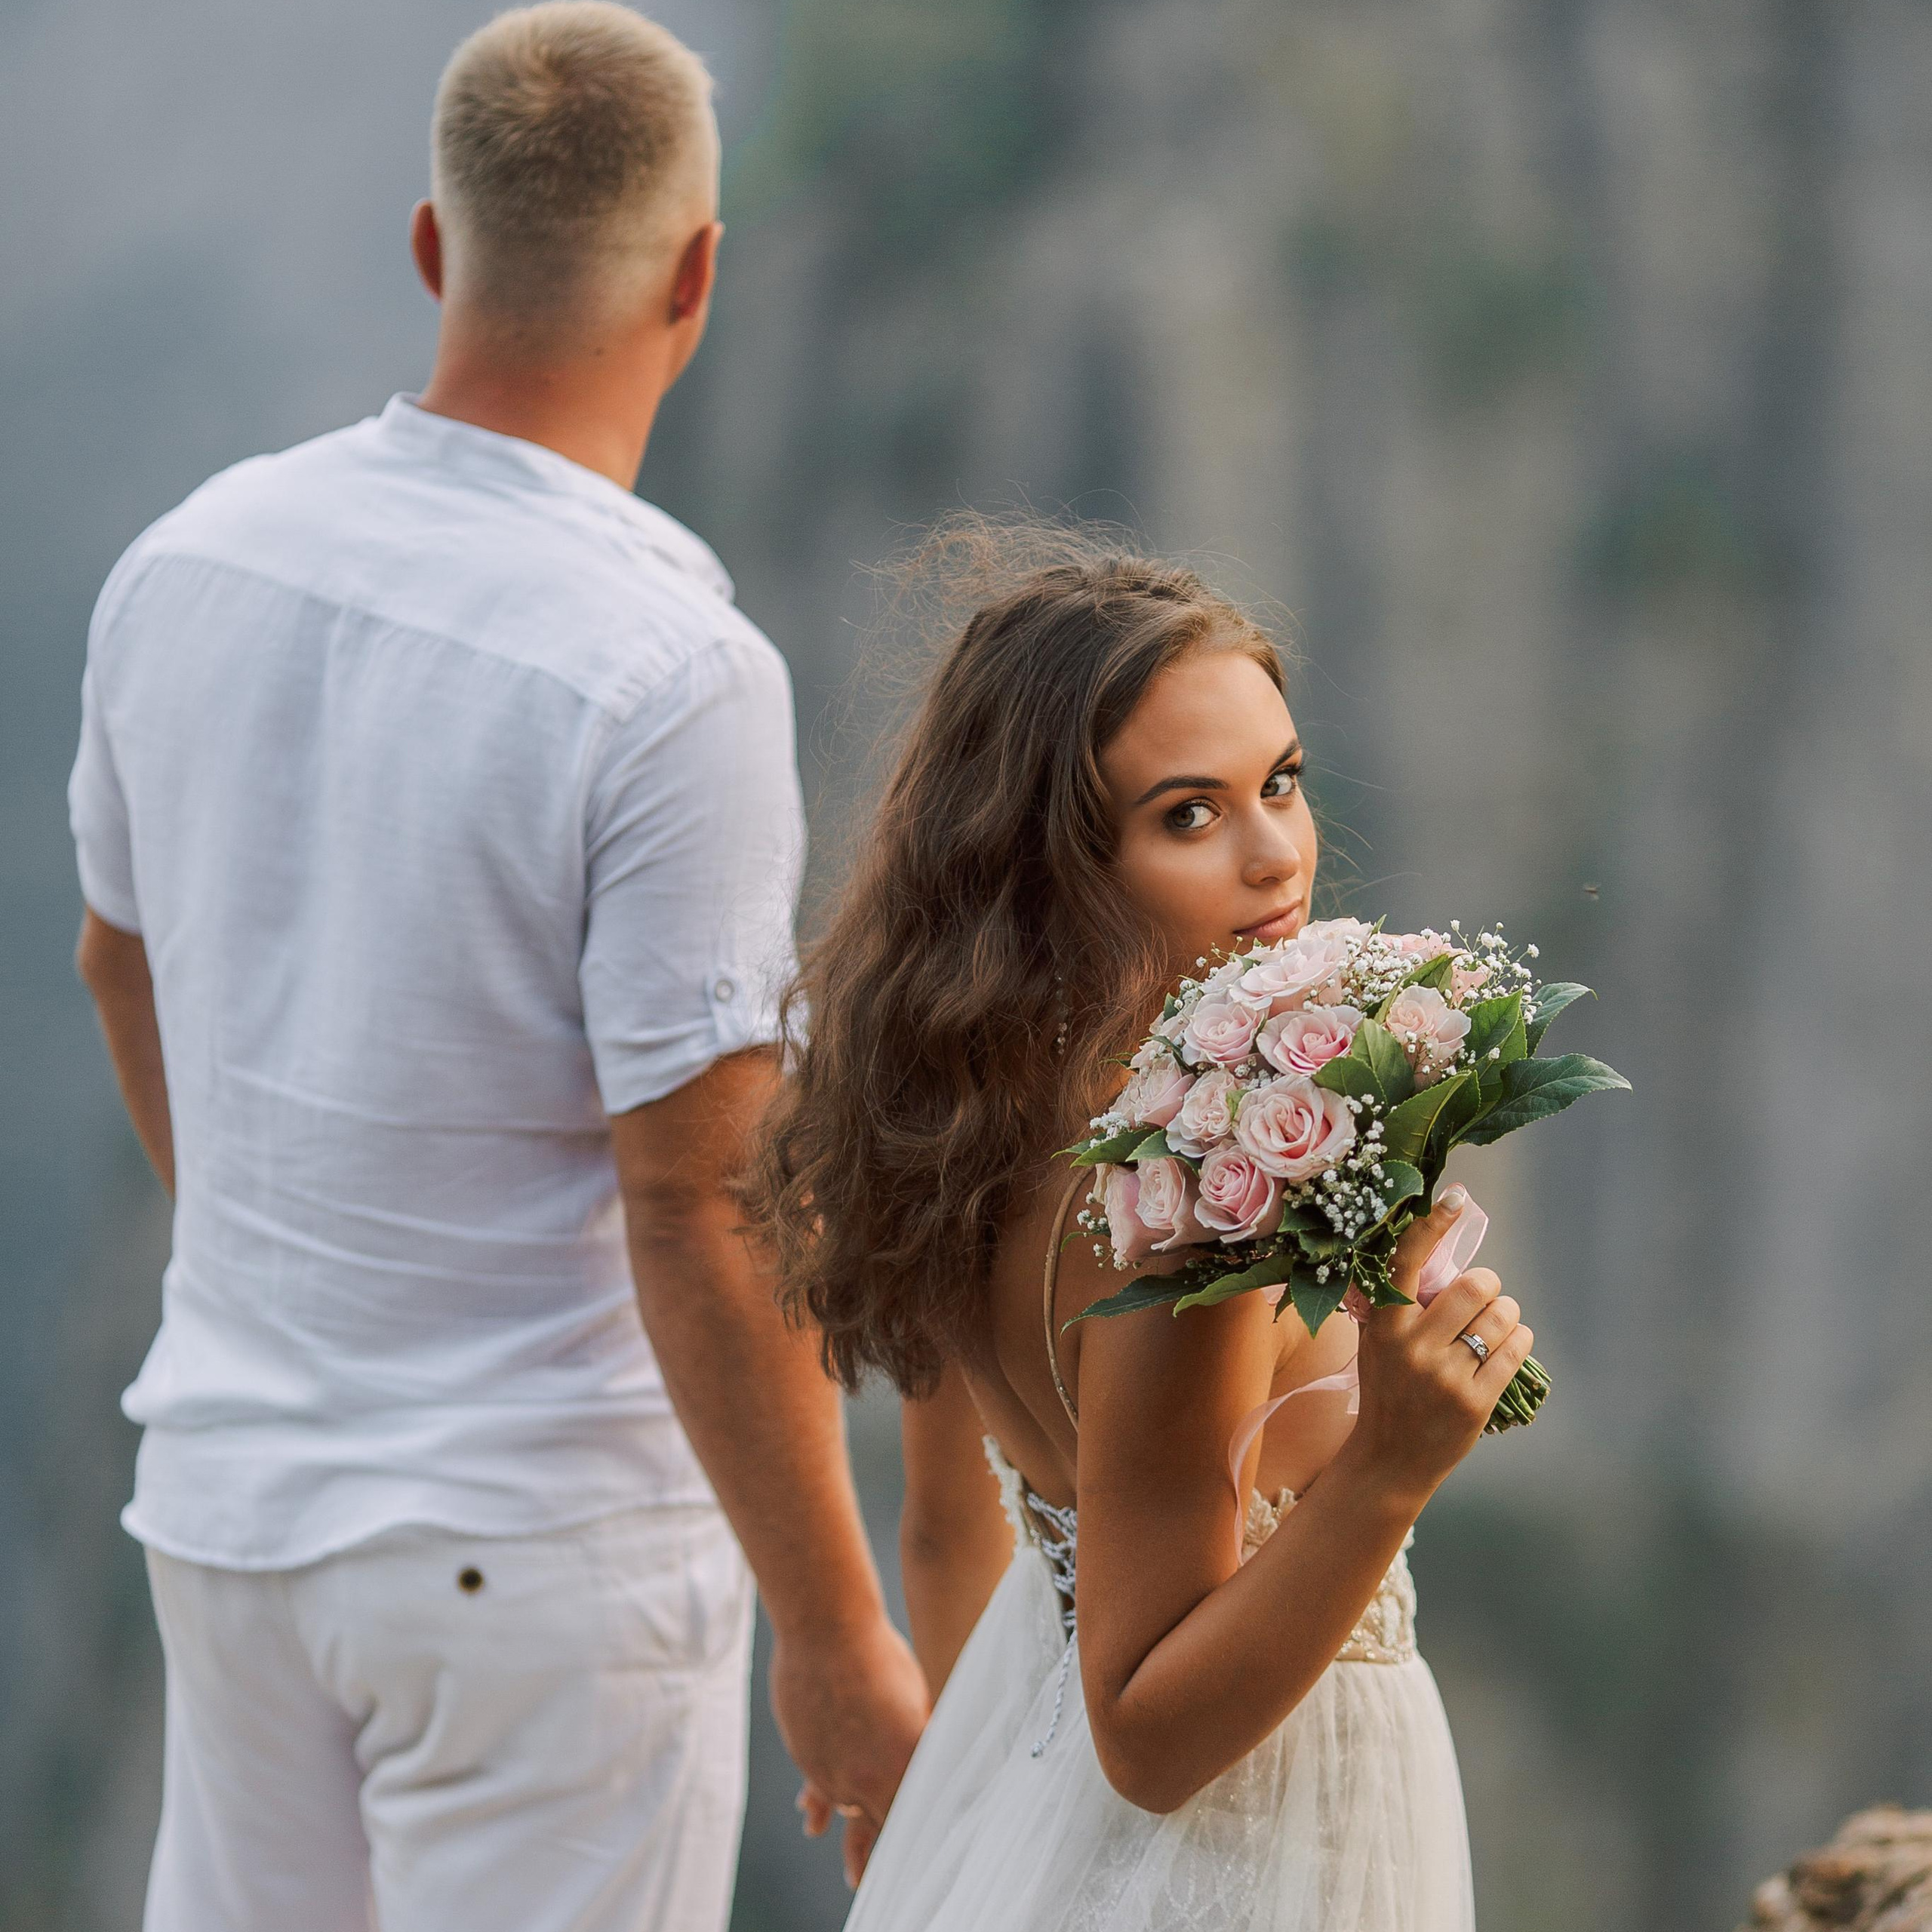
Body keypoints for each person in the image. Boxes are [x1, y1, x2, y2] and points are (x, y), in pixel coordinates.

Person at [66, 8, 924, 1929]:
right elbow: (697, 1186)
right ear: (699, 276)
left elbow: (118, 964)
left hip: (230, 1503)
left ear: (433, 247)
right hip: (535, 1555)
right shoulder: (671, 671)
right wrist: (837, 1632)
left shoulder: (182, 562)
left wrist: (297, 1265)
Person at [745, 524, 1533, 1930]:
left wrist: (977, 1826)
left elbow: (947, 1533)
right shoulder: (1196, 1202)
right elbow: (1149, 1736)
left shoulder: (962, 1127)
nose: (1275, 855)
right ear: (1050, 864)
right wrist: (1390, 1471)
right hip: (1257, 1850)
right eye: (1188, 814)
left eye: (1279, 784)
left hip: (1038, 1814)